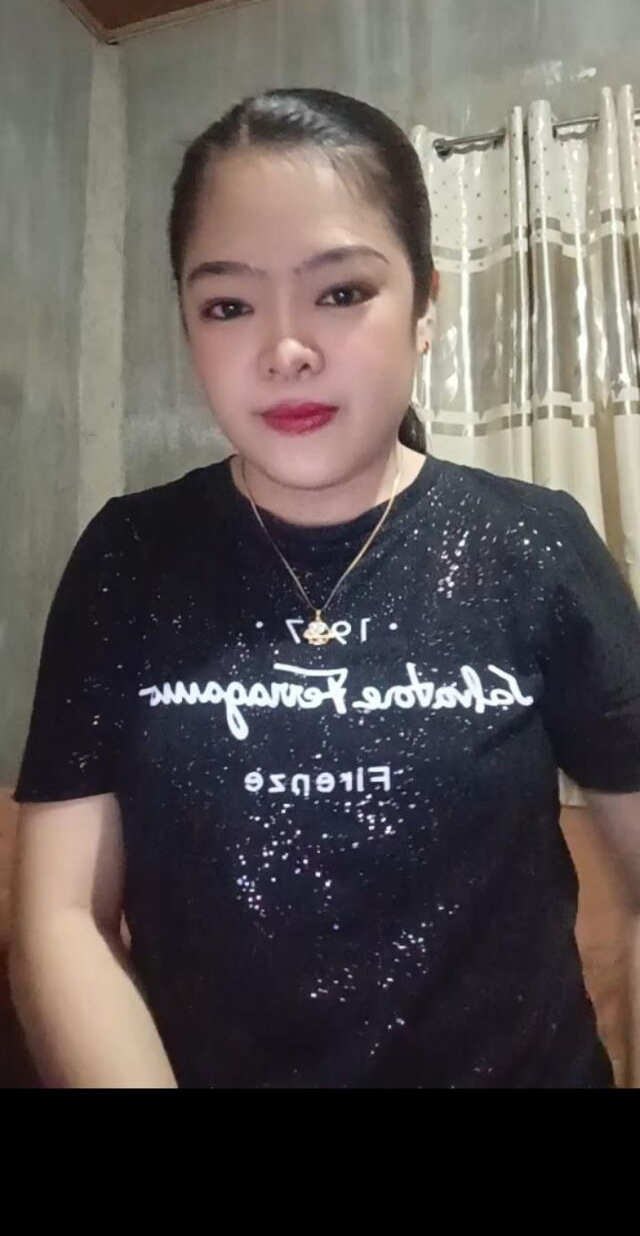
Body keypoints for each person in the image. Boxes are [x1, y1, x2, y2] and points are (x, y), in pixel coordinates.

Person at [9, 87, 640, 1090]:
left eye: (341, 292)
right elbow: (60, 919)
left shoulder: (534, 543)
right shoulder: (130, 556)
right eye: (228, 304)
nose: (285, 350)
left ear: (425, 307)